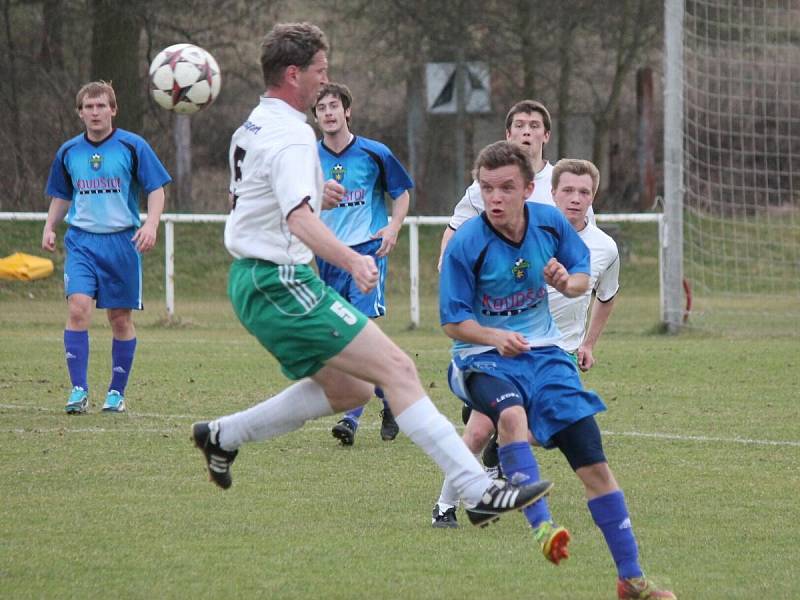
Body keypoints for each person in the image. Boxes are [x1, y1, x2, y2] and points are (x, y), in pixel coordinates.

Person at [190, 22, 552, 528]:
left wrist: (318, 193)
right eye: (321, 70)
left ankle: (223, 435)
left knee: (353, 391)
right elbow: (295, 219)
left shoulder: (254, 124)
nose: (326, 81)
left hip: (261, 280)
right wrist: (353, 259)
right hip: (279, 280)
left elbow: (255, 198)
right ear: (294, 74)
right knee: (399, 369)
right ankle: (477, 489)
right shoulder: (294, 135)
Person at [437, 145, 676, 599]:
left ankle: (632, 580)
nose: (496, 198)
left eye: (507, 187)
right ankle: (542, 528)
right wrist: (493, 336)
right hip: (479, 357)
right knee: (509, 418)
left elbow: (586, 276)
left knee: (596, 467)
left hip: (547, 358)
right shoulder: (467, 243)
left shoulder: (549, 223)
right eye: (487, 188)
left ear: (529, 189)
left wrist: (569, 283)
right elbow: (452, 321)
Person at [433, 156, 621, 519]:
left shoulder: (604, 247)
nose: (575, 199)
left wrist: (588, 342)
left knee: (545, 432)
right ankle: (445, 506)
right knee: (477, 432)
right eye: (567, 190)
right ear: (551, 192)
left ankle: (500, 453)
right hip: (501, 353)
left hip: (557, 354)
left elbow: (605, 295)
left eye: (584, 192)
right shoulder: (526, 228)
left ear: (594, 197)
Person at [42, 80, 170, 414]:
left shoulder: (132, 146)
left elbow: (157, 189)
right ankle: (78, 390)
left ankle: (116, 393)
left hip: (122, 243)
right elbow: (62, 193)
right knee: (77, 308)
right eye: (89, 107)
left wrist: (151, 224)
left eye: (101, 106)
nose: (95, 112)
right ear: (80, 113)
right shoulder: (69, 151)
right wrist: (50, 225)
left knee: (119, 319)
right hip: (82, 242)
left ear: (113, 109)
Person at [311, 82, 412, 446]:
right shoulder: (308, 158)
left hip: (368, 252)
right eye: (321, 108)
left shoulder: (375, 153)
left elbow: (401, 194)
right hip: (330, 256)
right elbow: (298, 204)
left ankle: (351, 419)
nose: (328, 112)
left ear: (347, 111)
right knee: (344, 337)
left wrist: (393, 227)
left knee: (355, 333)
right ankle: (391, 398)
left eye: (334, 105)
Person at [437, 99, 594, 270]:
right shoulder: (488, 184)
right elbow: (455, 230)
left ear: (546, 135)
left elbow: (589, 240)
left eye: (534, 126)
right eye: (519, 126)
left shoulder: (568, 184)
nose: (526, 132)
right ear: (508, 134)